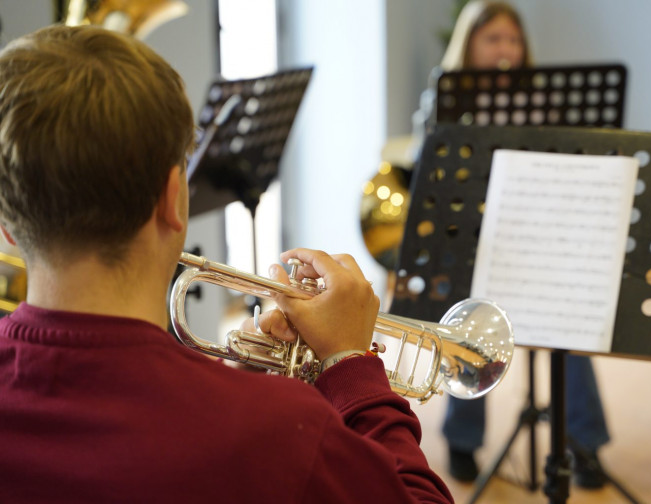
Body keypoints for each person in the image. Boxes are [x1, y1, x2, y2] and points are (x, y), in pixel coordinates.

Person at [0, 25, 453, 504]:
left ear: (9, 226)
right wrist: (351, 366)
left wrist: (245, 381)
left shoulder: (260, 422)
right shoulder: (275, 429)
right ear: (174, 198)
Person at [430, 1, 611, 489]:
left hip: (536, 236)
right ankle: (462, 438)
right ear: (469, 46)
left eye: (513, 40)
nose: (505, 50)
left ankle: (584, 441)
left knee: (568, 323)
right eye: (493, 40)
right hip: (473, 243)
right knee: (469, 325)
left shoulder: (541, 102)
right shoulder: (447, 103)